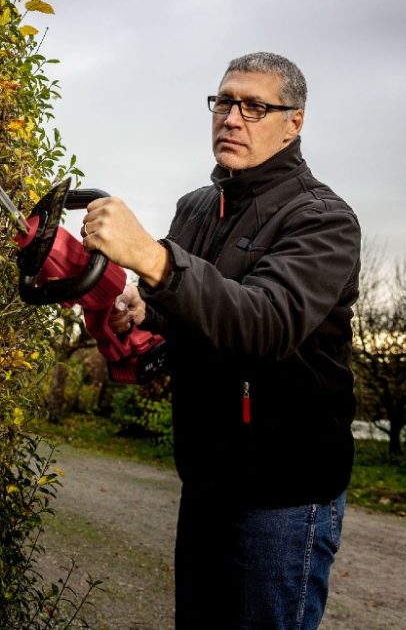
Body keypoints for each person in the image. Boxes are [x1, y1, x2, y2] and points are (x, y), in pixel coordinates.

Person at [80, 52, 360, 629]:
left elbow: (265, 324)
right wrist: (144, 311)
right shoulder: (197, 208)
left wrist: (155, 263)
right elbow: (194, 311)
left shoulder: (324, 220)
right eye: (225, 101)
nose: (233, 118)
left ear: (295, 122)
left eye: (255, 106)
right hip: (206, 479)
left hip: (285, 494)